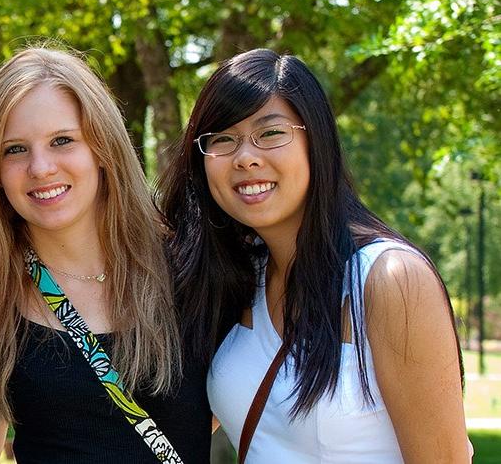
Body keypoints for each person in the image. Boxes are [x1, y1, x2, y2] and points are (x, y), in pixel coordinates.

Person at [160, 48, 469, 462]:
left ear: (315, 141)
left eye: (270, 133)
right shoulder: (233, 281)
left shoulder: (390, 279)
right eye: (222, 140)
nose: (246, 156)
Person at [0, 47, 211, 463]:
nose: (41, 168)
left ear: (103, 148)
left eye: (62, 141)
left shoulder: (190, 269)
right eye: (14, 149)